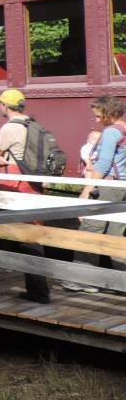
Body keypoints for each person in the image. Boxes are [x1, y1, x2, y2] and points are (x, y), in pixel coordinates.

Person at [0, 89, 51, 303]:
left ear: (6, 106)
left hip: (13, 184)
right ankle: (38, 290)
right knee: (28, 235)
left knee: (1, 231)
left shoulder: (9, 128)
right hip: (33, 184)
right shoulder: (34, 125)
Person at [63, 96, 126, 292]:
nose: (97, 120)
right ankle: (119, 283)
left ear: (108, 113)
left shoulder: (111, 133)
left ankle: (82, 280)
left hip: (107, 187)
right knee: (115, 235)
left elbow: (104, 163)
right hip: (123, 187)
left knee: (90, 230)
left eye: (99, 116)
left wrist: (87, 190)